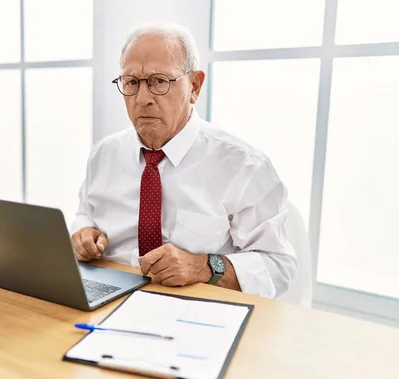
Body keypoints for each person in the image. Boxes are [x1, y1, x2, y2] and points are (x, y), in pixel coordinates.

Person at [70, 23, 296, 298]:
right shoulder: (103, 155)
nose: (142, 99)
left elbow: (279, 267)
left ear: (195, 86)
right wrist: (83, 233)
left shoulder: (244, 166)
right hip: (107, 297)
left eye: (159, 81)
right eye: (131, 82)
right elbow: (85, 214)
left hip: (198, 308)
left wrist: (204, 267)